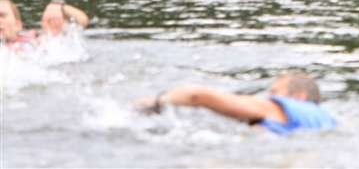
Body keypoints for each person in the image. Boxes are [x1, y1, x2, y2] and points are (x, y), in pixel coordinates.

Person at [136, 71, 336, 136]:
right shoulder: (325, 120)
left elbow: (198, 96)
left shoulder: (284, 107)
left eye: (274, 93)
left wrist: (155, 102)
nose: (268, 98)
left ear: (299, 96)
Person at [0, 0, 90, 49]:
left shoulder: (36, 40)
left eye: (2, 15)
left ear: (17, 25)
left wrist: (61, 8)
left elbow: (82, 21)